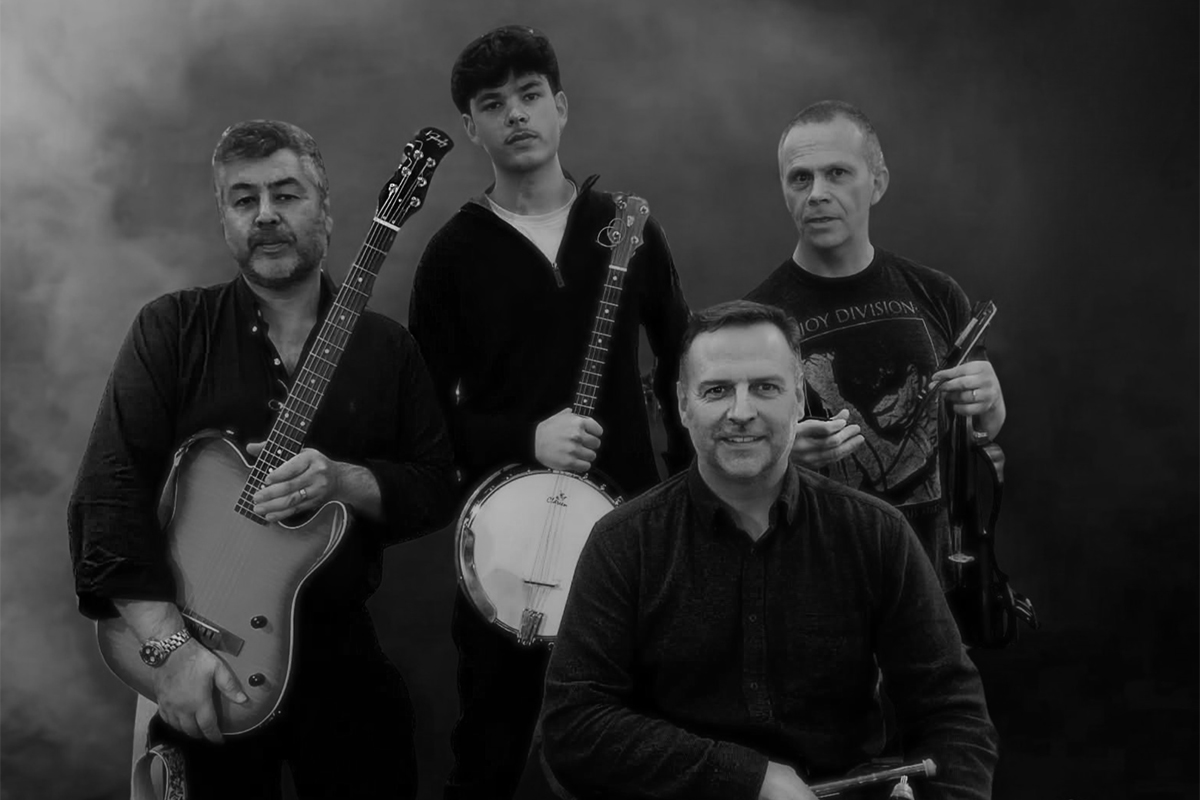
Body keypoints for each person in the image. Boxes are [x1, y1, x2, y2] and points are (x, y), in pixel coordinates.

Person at [67, 119, 458, 799]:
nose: (266, 215)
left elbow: (433, 487)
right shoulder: (172, 329)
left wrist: (344, 480)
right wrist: (170, 652)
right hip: (194, 650)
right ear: (224, 218)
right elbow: (109, 494)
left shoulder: (388, 349)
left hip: (338, 653)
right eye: (244, 199)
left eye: (287, 194)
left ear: (326, 210)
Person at [540, 300, 998, 800]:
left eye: (765, 387)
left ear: (799, 399)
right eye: (717, 390)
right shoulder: (622, 542)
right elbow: (573, 726)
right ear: (683, 405)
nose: (741, 412)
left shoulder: (876, 533)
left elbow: (953, 712)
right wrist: (750, 779)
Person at [408, 25, 691, 800]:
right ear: (472, 127)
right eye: (493, 104)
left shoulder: (626, 226)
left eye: (530, 95)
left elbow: (685, 368)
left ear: (561, 106)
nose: (516, 115)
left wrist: (686, 498)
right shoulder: (451, 256)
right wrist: (522, 436)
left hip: (631, 536)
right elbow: (423, 427)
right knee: (490, 756)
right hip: (506, 549)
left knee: (643, 752)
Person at [745, 100, 1006, 589]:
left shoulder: (937, 293)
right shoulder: (755, 321)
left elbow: (982, 432)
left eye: (837, 173)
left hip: (936, 580)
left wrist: (989, 403)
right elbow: (729, 468)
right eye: (800, 178)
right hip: (818, 583)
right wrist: (778, 455)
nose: (817, 194)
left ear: (878, 182)